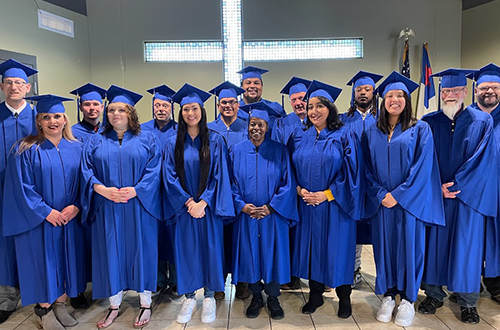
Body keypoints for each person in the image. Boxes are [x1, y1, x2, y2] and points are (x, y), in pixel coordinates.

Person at [362, 72, 445, 327]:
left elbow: (423, 168)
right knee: (384, 249)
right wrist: (380, 194)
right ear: (383, 100)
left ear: (407, 100)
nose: (394, 99)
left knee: (410, 248)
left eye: (400, 95)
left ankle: (408, 299)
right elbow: (365, 167)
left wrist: (398, 195)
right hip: (382, 203)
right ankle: (388, 295)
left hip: (409, 203)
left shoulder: (420, 129)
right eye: (389, 95)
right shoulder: (371, 131)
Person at [419, 69, 498, 324]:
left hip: (468, 199)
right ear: (440, 94)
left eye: (455, 91)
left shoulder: (482, 121)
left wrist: (457, 186)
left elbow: (484, 161)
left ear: (466, 92)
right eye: (446, 91)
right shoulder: (429, 122)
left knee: (467, 249)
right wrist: (437, 186)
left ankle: (467, 303)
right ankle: (433, 294)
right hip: (437, 198)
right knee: (436, 247)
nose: (450, 95)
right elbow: (423, 161)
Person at [81, 85, 162, 329]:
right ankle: (114, 305)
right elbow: (86, 171)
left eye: (122, 110)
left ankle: (145, 304)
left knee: (142, 251)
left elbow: (155, 169)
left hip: (139, 206)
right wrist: (101, 189)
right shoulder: (95, 141)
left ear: (131, 113)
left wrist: (138, 189)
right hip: (108, 207)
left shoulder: (147, 139)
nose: (116, 114)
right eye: (112, 109)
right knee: (110, 253)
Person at [3, 95, 85, 330]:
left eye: (57, 116)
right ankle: (44, 311)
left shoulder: (76, 148)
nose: (52, 121)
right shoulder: (25, 149)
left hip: (69, 219)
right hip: (39, 221)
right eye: (46, 117)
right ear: (38, 121)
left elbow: (85, 182)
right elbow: (21, 188)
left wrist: (77, 205)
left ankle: (60, 305)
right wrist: (46, 212)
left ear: (64, 119)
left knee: (66, 261)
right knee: (43, 264)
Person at [162, 84, 235, 324]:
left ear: (202, 111)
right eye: (185, 109)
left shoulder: (215, 140)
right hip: (184, 209)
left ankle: (211, 297)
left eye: (194, 108)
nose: (190, 113)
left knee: (212, 251)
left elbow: (220, 174)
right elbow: (169, 176)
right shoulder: (172, 142)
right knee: (187, 251)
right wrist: (187, 202)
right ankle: (190, 297)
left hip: (208, 209)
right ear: (180, 113)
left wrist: (204, 201)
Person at [291, 80, 363, 318]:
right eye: (310, 106)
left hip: (335, 206)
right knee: (313, 251)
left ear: (330, 108)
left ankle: (344, 298)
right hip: (309, 206)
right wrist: (301, 191)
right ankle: (315, 295)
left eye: (320, 106)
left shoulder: (345, 134)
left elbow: (353, 172)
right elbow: (291, 170)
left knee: (338, 250)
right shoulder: (302, 136)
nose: (313, 111)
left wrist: (328, 194)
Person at [230, 106, 299, 319]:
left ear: (267, 127)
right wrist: (241, 205)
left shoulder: (279, 151)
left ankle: (273, 297)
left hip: (272, 216)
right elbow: (229, 183)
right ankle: (256, 296)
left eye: (261, 125)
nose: (256, 128)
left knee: (273, 255)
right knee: (250, 255)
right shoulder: (236, 150)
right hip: (246, 215)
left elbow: (288, 184)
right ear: (247, 126)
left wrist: (272, 207)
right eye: (253, 124)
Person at [0, 59, 38, 324]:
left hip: (33, 191)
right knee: (3, 243)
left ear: (27, 87)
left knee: (33, 238)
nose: (14, 87)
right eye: (8, 83)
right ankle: (7, 297)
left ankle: (39, 293)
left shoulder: (41, 117)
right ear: (2, 86)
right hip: (1, 190)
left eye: (18, 83)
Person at [340, 70, 383, 288]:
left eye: (367, 89)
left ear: (374, 92)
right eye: (359, 90)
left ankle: (382, 274)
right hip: (352, 184)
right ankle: (354, 268)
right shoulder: (342, 120)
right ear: (353, 93)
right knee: (353, 229)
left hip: (377, 184)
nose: (363, 93)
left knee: (379, 230)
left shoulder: (384, 118)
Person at [208, 81, 250, 300]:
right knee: (218, 239)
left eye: (232, 102)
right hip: (216, 193)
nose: (228, 106)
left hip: (241, 192)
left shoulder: (248, 126)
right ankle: (218, 283)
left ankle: (242, 282)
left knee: (240, 238)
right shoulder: (209, 129)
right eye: (224, 102)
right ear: (218, 105)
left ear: (238, 104)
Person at [69, 82, 108, 309]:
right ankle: (77, 290)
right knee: (79, 245)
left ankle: (104, 285)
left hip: (103, 197)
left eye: (96, 104)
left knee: (102, 242)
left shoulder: (109, 131)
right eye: (87, 104)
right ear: (81, 107)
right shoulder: (72, 133)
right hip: (81, 196)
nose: (92, 108)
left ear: (102, 106)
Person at [467, 63, 500, 304]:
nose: (489, 91)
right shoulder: (464, 118)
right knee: (471, 238)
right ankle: (469, 282)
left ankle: (496, 283)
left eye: (495, 87)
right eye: (484, 87)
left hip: (498, 190)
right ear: (475, 89)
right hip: (471, 193)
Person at [142, 84, 178, 296]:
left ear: (172, 107)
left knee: (173, 236)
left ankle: (175, 279)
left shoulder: (180, 129)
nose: (161, 109)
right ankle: (155, 279)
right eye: (157, 105)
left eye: (165, 105)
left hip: (173, 194)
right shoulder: (143, 130)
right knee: (152, 236)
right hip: (151, 194)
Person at [237, 66, 286, 133]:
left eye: (256, 83)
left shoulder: (275, 108)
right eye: (248, 83)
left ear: (262, 87)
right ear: (242, 87)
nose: (252, 86)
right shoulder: (235, 110)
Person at [272, 77, 311, 146]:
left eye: (301, 98)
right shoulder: (282, 124)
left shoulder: (317, 120)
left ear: (308, 99)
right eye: (293, 100)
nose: (298, 103)